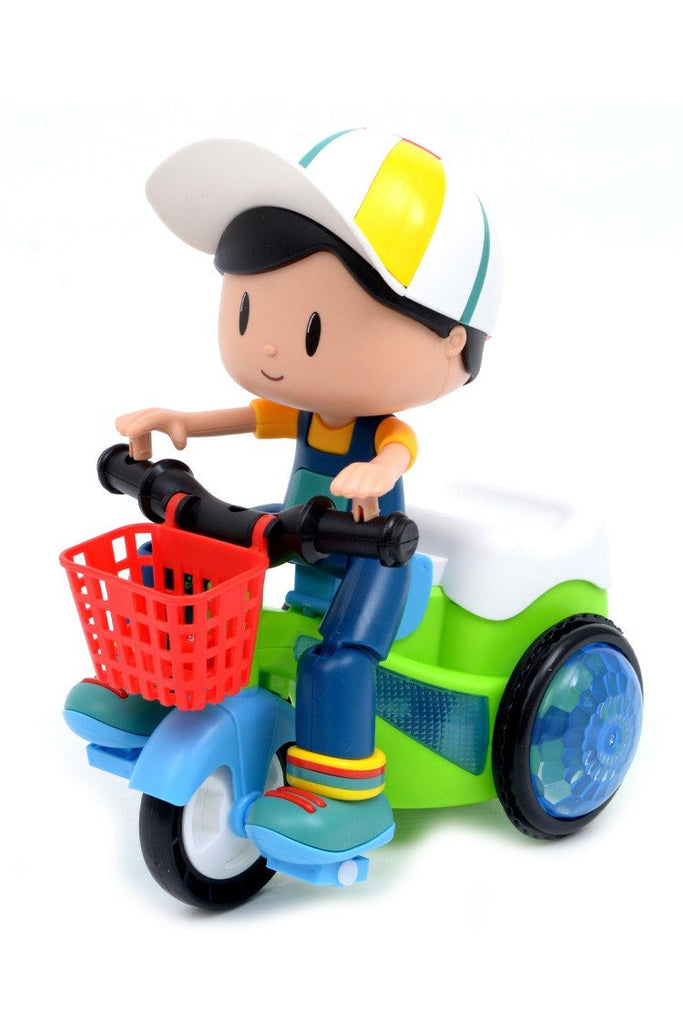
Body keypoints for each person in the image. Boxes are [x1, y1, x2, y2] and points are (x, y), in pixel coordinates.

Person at [68, 128, 502, 861]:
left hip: (374, 558)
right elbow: (248, 416)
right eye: (246, 313)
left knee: (337, 658)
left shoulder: (380, 430)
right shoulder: (302, 412)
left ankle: (347, 799)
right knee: (189, 553)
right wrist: (181, 421)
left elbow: (398, 450)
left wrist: (377, 475)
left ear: (452, 341)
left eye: (310, 327)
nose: (268, 347)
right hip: (306, 532)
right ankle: (154, 691)